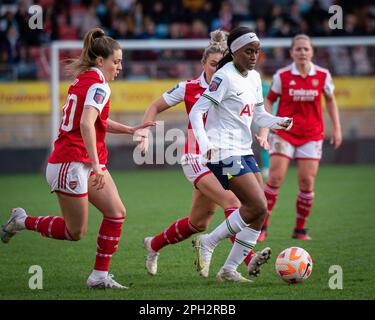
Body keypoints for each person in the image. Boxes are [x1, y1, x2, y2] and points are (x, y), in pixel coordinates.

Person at [0, 28, 155, 289]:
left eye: (121, 61)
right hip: (70, 162)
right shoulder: (98, 85)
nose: (120, 67)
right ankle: (21, 221)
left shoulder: (88, 79)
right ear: (100, 61)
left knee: (116, 213)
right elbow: (85, 124)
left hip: (82, 161)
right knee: (76, 232)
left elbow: (96, 121)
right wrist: (95, 164)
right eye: (116, 61)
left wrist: (129, 130)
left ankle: (98, 276)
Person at [139, 30, 271, 279]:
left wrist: (263, 131)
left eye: (221, 65)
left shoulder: (233, 82)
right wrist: (144, 132)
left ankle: (153, 245)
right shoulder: (188, 88)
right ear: (203, 64)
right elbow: (155, 106)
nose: (216, 70)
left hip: (226, 154)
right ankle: (242, 262)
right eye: (212, 65)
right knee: (234, 202)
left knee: (198, 223)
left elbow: (257, 110)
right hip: (196, 157)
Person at [189, 26, 293, 282]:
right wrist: (204, 143)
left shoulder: (255, 78)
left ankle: (228, 270)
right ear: (235, 51)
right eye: (249, 51)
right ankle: (209, 242)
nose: (254, 56)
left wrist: (278, 121)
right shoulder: (223, 77)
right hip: (223, 151)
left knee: (260, 211)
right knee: (256, 205)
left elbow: (258, 114)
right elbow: (196, 112)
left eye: (257, 51)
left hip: (244, 149)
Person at [257, 34, 342, 242]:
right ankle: (262, 227)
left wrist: (337, 128)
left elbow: (330, 101)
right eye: (298, 49)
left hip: (312, 135)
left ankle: (300, 230)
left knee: (306, 181)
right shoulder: (282, 76)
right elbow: (269, 101)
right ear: (291, 52)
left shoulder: (322, 75)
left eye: (306, 49)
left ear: (312, 52)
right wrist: (268, 123)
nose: (302, 52)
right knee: (275, 178)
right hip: (285, 133)